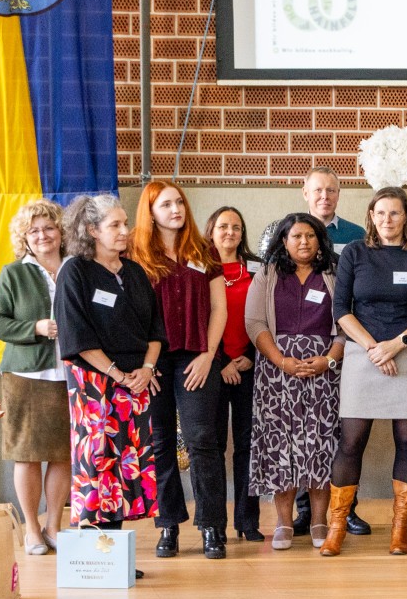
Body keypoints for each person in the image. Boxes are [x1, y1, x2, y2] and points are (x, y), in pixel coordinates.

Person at [328, 187, 407, 555]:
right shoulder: (355, 253)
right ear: (371, 217)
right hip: (363, 354)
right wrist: (375, 348)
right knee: (351, 441)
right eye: (380, 213)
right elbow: (341, 310)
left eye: (394, 213)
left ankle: (400, 526)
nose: (387, 219)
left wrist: (397, 344)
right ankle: (337, 526)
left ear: (405, 216)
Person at [130, 181, 230, 560]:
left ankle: (212, 526)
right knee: (159, 442)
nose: (176, 210)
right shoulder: (136, 254)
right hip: (153, 360)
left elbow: (219, 308)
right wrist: (144, 364)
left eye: (180, 203)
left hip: (196, 355)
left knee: (202, 438)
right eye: (166, 205)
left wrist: (208, 355)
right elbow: (129, 314)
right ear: (150, 213)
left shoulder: (204, 250)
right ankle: (168, 524)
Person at [54, 195, 165, 537]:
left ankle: (113, 549)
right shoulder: (75, 271)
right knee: (97, 464)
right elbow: (77, 336)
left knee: (127, 468)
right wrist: (117, 374)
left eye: (125, 223)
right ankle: (97, 550)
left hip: (136, 383)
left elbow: (155, 329)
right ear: (92, 230)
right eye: (114, 225)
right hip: (95, 383)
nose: (124, 231)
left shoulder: (135, 272)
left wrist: (147, 369)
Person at [246, 213, 344, 549]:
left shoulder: (334, 272)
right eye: (296, 236)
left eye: (310, 236)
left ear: (320, 240)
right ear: (284, 241)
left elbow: (346, 323)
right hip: (276, 371)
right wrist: (281, 360)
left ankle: (319, 521)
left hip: (325, 371)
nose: (304, 242)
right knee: (280, 444)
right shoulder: (268, 273)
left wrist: (329, 359)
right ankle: (284, 522)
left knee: (321, 444)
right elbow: (255, 323)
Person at [0, 200, 71, 556]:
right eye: (33, 231)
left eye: (48, 227)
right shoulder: (13, 274)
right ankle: (31, 528)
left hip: (71, 374)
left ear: (61, 231)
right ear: (24, 237)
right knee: (28, 454)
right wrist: (34, 327)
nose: (42, 235)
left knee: (64, 454)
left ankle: (54, 525)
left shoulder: (76, 269)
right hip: (26, 375)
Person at [205, 206, 263, 542]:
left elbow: (268, 317)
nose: (230, 233)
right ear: (211, 230)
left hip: (249, 366)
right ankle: (215, 525)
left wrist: (251, 356)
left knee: (248, 446)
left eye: (236, 227)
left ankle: (247, 520)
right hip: (212, 367)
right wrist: (222, 361)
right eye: (223, 226)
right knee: (212, 446)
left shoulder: (256, 268)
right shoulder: (199, 267)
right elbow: (197, 319)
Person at [259, 167, 366, 253]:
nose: (325, 196)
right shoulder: (288, 232)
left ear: (338, 194)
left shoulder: (357, 234)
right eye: (318, 190)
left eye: (330, 190)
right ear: (305, 194)